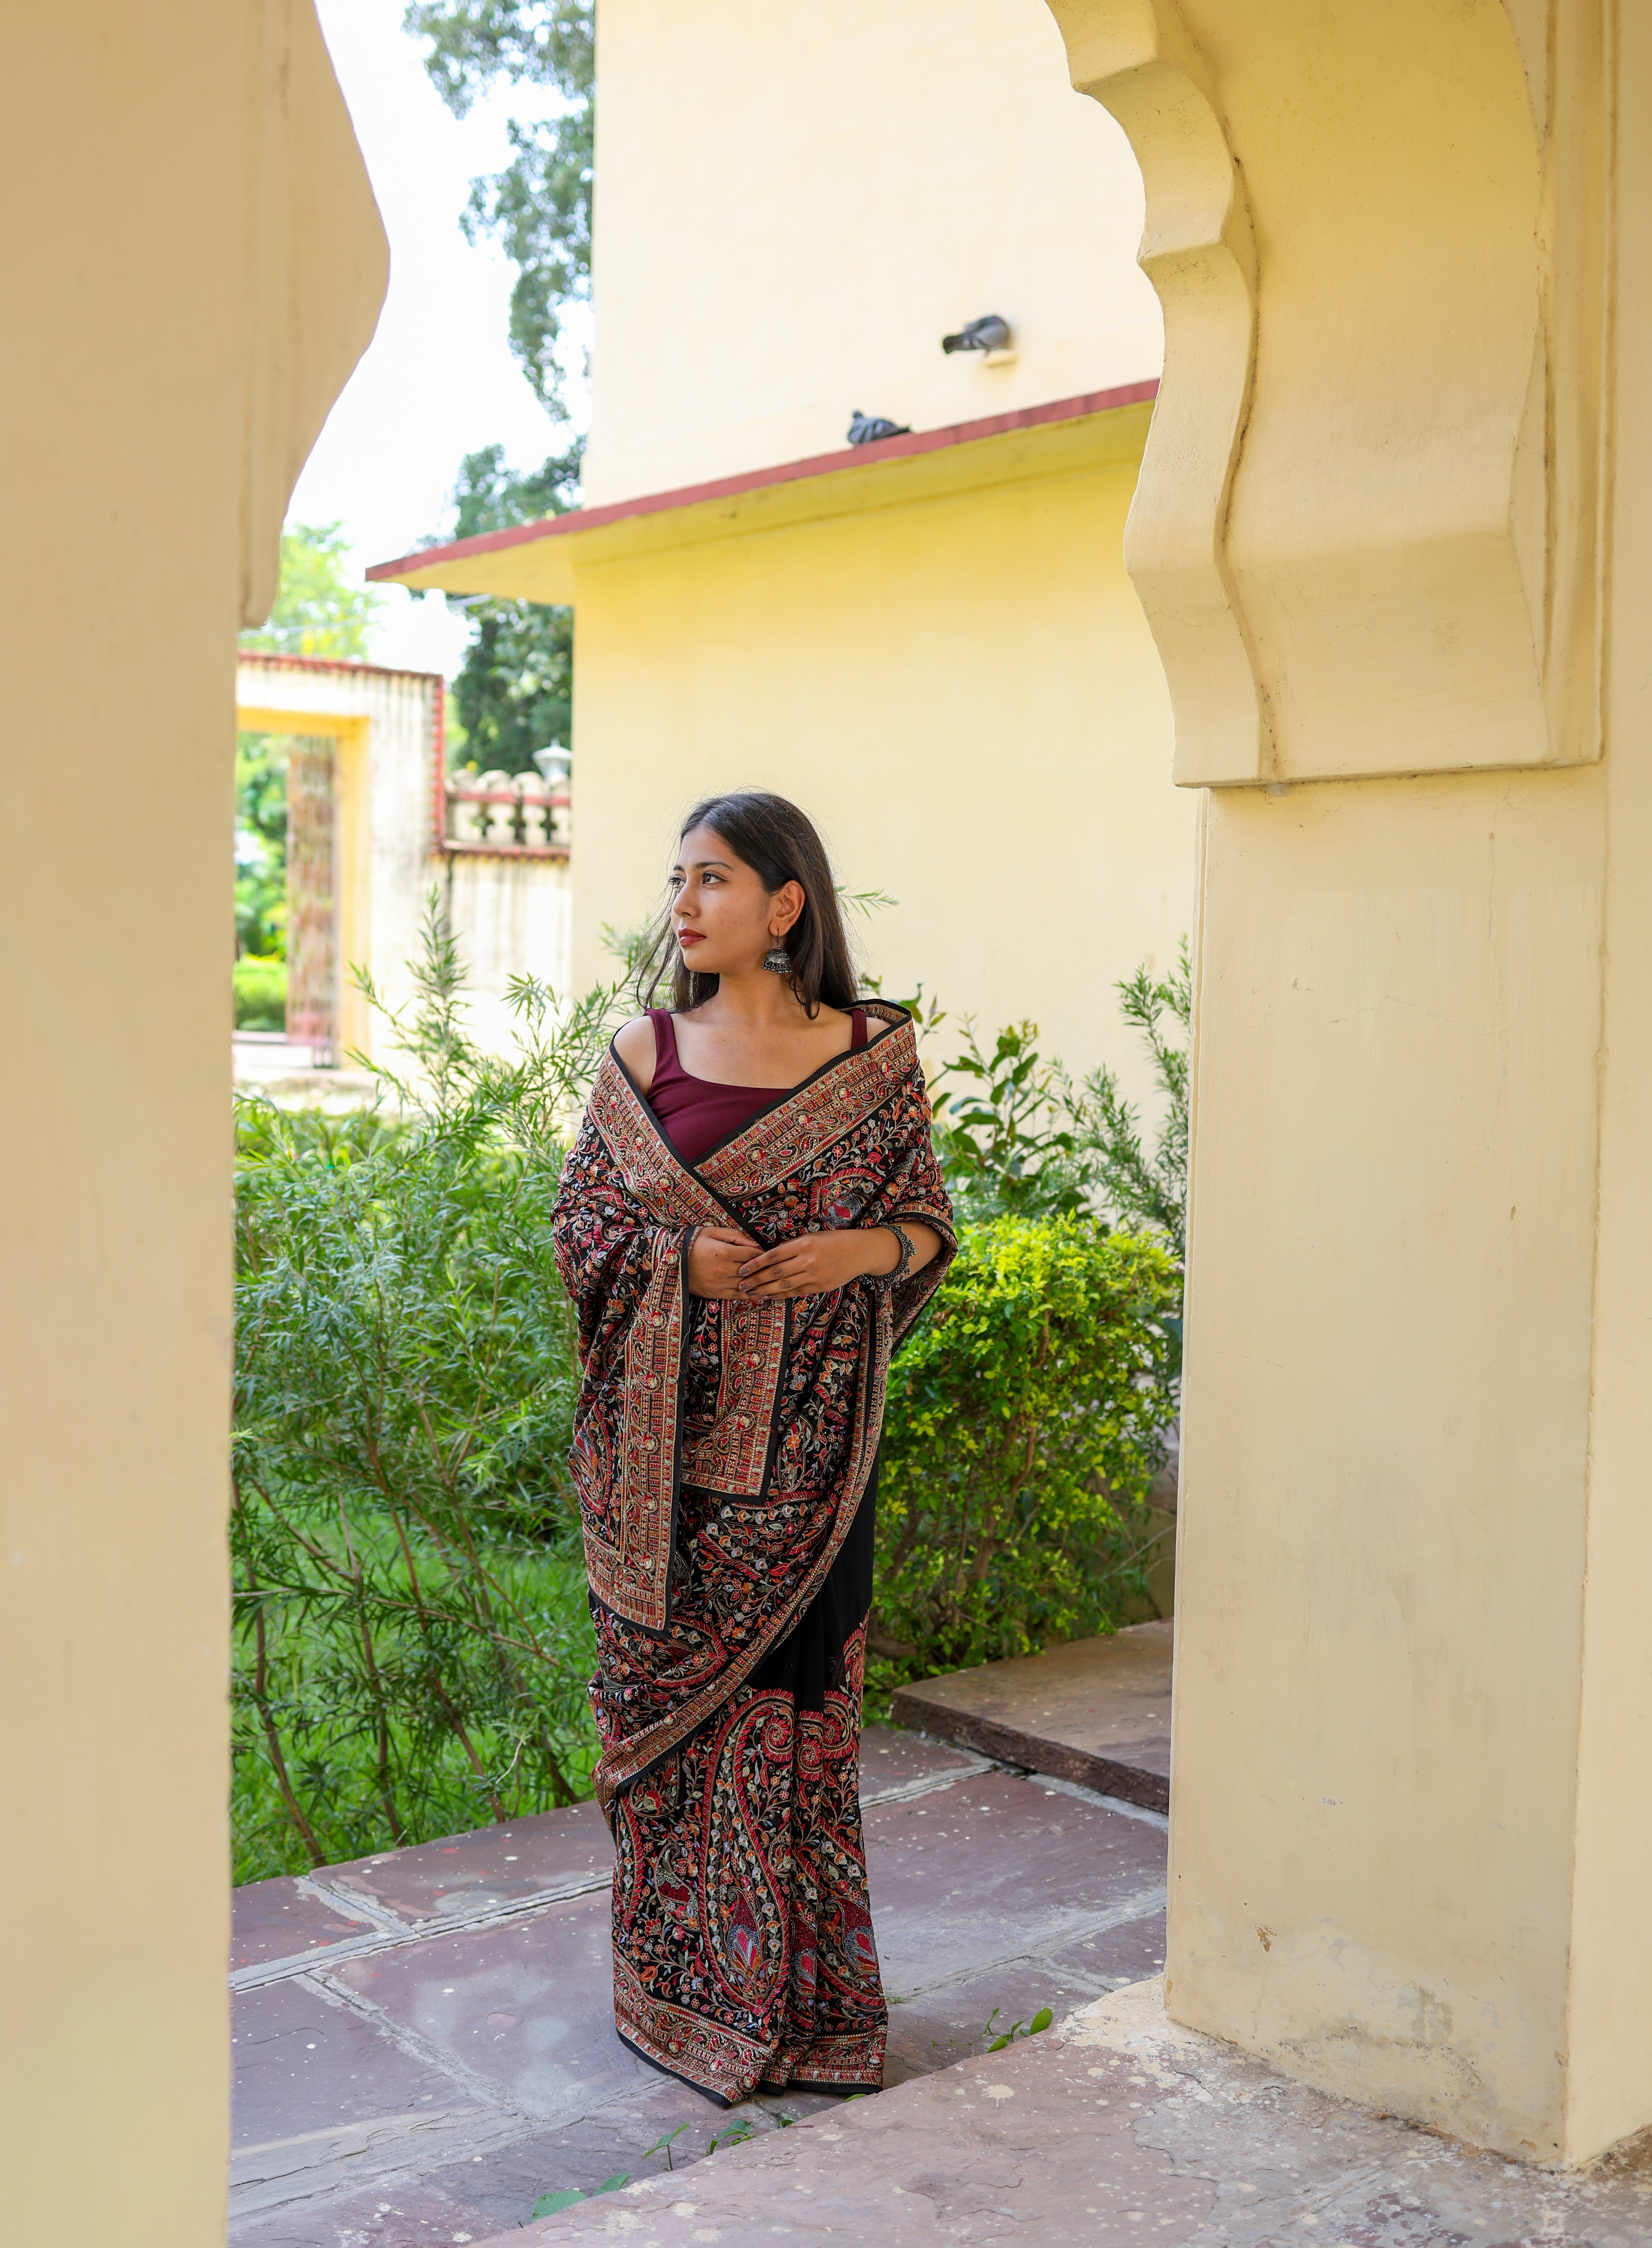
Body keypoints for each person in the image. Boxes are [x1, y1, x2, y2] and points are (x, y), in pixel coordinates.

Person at [550, 790, 954, 2104]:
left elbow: (930, 1226)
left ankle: (810, 2009)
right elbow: (581, 1237)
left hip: (813, 1467)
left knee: (798, 1726)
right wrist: (684, 1268)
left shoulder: (874, 1057)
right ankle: (679, 1994)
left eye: (712, 878)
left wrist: (857, 1249)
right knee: (676, 1737)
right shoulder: (642, 1049)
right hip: (666, 1491)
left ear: (786, 904)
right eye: (678, 878)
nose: (682, 905)